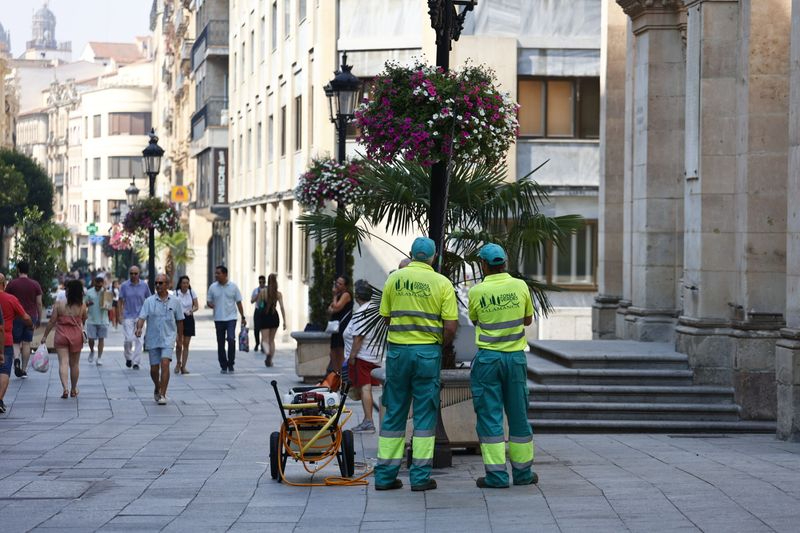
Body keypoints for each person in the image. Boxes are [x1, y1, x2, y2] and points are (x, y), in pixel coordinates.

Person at [374, 237, 458, 492]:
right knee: (424, 415)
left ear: (411, 254)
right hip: (427, 354)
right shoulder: (442, 283)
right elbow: (450, 327)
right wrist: (436, 345)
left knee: (394, 413)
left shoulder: (394, 279)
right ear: (434, 257)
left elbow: (386, 317)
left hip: (398, 354)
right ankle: (420, 478)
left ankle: (385, 477)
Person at [468, 243, 537, 488]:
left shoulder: (477, 291)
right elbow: (527, 320)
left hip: (488, 360)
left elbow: (475, 320)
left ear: (483, 265)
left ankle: (496, 476)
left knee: (490, 417)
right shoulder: (520, 286)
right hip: (515, 359)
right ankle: (523, 474)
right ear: (505, 263)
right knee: (519, 416)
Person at [135, 273, 184, 405]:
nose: (158, 285)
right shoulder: (149, 301)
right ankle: (157, 386)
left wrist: (179, 338)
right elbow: (142, 317)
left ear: (167, 284)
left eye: (160, 283)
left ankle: (162, 394)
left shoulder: (175, 301)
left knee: (165, 363)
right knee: (154, 369)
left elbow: (180, 321)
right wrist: (139, 328)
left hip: (168, 338)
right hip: (153, 338)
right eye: (156, 283)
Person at [343, 279, 382, 433]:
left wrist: (352, 357)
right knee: (365, 388)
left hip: (363, 356)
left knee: (365, 388)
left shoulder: (362, 312)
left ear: (357, 296)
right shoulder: (374, 309)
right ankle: (368, 419)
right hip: (373, 355)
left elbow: (358, 337)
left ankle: (368, 421)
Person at [40, 280, 86, 399]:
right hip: (76, 336)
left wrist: (45, 336)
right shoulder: (82, 305)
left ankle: (65, 388)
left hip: (61, 335)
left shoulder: (59, 304)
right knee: (74, 364)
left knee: (63, 362)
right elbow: (83, 319)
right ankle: (74, 389)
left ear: (68, 291)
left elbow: (52, 321)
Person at [0, 274, 32, 413]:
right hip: (5, 340)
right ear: (4, 284)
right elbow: (25, 317)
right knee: (4, 371)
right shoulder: (11, 299)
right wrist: (30, 324)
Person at [6, 261, 43, 379]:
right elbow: (39, 303)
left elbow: (7, 299)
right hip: (30, 317)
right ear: (28, 270)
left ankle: (16, 359)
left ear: (18, 270)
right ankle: (24, 369)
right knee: (27, 342)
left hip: (16, 316)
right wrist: (39, 318)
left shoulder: (12, 284)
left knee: (15, 342)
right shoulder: (35, 284)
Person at [207, 265, 245, 373]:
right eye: (216, 273)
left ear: (225, 274)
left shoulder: (233, 287)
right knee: (220, 343)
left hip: (231, 318)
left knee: (231, 339)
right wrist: (211, 305)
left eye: (218, 273)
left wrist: (243, 316)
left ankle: (231, 363)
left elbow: (239, 302)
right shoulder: (213, 287)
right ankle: (223, 365)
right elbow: (208, 301)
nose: (216, 275)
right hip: (218, 319)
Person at [118, 266, 151, 370]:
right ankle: (128, 358)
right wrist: (119, 314)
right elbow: (120, 300)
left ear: (139, 274)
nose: (133, 275)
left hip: (140, 316)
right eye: (131, 273)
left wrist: (148, 313)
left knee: (139, 340)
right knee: (128, 339)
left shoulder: (144, 285)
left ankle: (136, 362)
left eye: (135, 273)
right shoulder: (124, 285)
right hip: (127, 316)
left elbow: (149, 299)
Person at [256, 273, 286, 367]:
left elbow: (258, 304)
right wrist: (284, 321)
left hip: (264, 317)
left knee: (265, 340)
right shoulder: (278, 294)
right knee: (272, 340)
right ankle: (271, 361)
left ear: (267, 282)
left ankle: (268, 353)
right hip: (274, 316)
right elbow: (282, 307)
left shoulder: (263, 292)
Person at [327, 275, 353, 375]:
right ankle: (336, 374)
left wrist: (334, 296)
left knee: (340, 350)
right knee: (333, 350)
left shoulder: (346, 295)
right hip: (335, 327)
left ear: (345, 286)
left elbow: (336, 306)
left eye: (340, 284)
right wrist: (333, 308)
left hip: (342, 326)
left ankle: (342, 375)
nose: (337, 285)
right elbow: (330, 309)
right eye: (337, 282)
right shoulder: (339, 295)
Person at [173, 276, 198, 374]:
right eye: (183, 283)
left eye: (187, 283)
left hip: (188, 319)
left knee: (186, 344)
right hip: (178, 319)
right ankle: (178, 363)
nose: (185, 285)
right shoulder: (175, 293)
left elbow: (196, 306)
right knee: (179, 344)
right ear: (180, 284)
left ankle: (183, 367)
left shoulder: (191, 292)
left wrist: (192, 310)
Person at [84, 275, 111, 365]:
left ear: (102, 284)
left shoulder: (106, 292)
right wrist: (88, 303)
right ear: (94, 283)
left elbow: (109, 306)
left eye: (100, 286)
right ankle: (92, 351)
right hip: (91, 319)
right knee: (91, 339)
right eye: (96, 286)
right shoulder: (89, 292)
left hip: (103, 319)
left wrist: (105, 292)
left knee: (101, 339)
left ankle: (99, 357)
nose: (98, 287)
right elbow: (84, 304)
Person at [250, 275, 266, 351]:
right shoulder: (255, 290)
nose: (261, 283)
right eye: (260, 282)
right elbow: (252, 301)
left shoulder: (267, 290)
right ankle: (257, 343)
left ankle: (263, 345)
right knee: (256, 329)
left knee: (264, 329)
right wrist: (258, 294)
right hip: (257, 310)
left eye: (263, 282)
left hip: (265, 311)